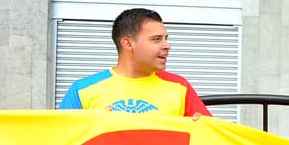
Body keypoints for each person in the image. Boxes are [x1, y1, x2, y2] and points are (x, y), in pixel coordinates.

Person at [59, 8, 208, 116]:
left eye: (166, 38)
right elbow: (62, 142)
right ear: (128, 44)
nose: (167, 45)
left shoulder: (180, 87)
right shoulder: (82, 90)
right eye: (156, 39)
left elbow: (208, 138)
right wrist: (93, 126)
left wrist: (199, 128)